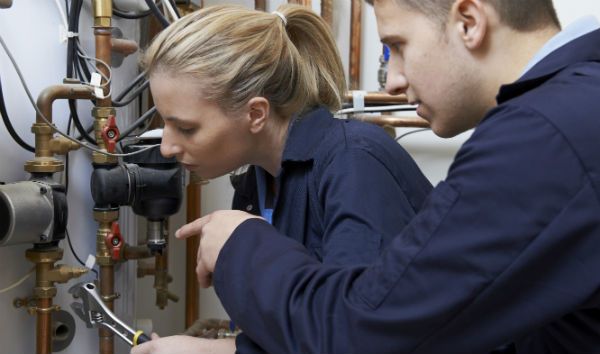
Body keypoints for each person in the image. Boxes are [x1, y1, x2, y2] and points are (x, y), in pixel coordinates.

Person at [174, 0, 600, 353]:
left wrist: (240, 244)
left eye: (398, 45)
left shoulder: (545, 134)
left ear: (469, 22)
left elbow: (362, 334)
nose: (393, 81)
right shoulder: (572, 111)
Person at [132, 3, 432, 354]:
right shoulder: (255, 186)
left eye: (186, 127)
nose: (167, 147)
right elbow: (291, 335)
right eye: (164, 123)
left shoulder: (355, 164)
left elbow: (356, 340)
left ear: (256, 113)